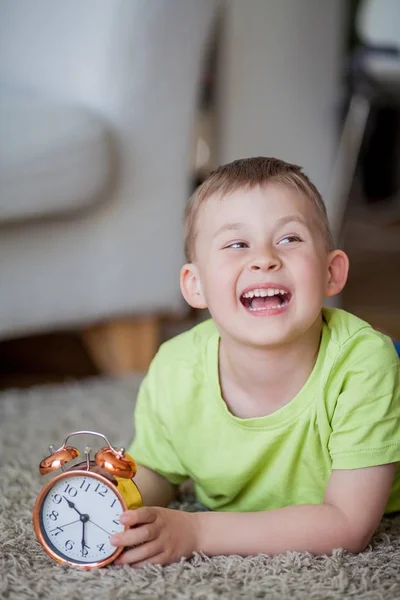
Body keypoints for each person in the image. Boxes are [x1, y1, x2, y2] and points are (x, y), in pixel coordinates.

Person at [110, 157, 400, 567]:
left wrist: (197, 531)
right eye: (236, 244)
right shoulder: (176, 369)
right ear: (196, 286)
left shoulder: (363, 365)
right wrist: (116, 507)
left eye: (289, 239)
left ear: (332, 273)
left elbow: (348, 524)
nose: (264, 258)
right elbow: (157, 469)